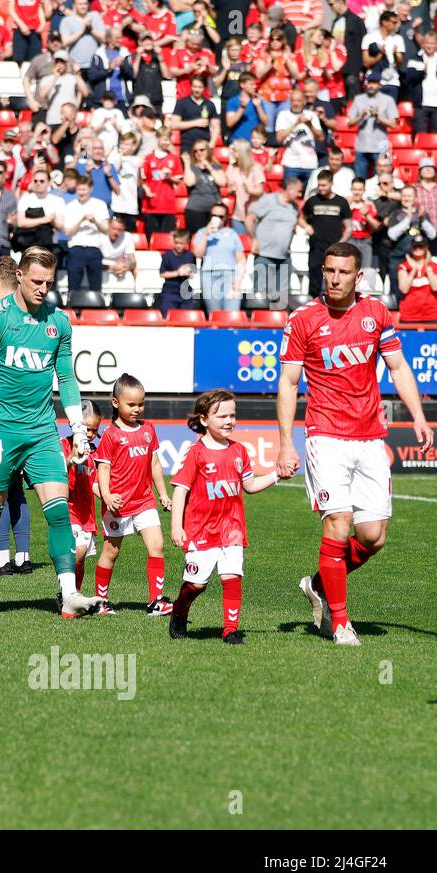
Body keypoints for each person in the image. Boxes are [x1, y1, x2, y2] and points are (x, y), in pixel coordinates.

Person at [277, 242, 432, 646]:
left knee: (373, 536)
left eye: (343, 272)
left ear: (358, 276)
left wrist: (417, 414)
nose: (334, 278)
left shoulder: (376, 312)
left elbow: (397, 367)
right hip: (325, 434)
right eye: (329, 271)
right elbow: (289, 383)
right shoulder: (303, 319)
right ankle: (341, 622)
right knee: (339, 524)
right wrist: (285, 443)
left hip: (369, 437)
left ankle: (318, 584)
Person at [0, 247, 106, 619]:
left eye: (49, 283)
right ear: (19, 277)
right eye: (36, 281)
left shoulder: (59, 322)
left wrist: (76, 428)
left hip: (41, 432)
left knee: (59, 514)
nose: (43, 289)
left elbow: (67, 377)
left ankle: (69, 592)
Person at [167, 389, 281, 643]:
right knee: (196, 585)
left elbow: (249, 486)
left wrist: (276, 475)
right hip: (200, 530)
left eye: (233, 415)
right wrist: (176, 527)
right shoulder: (195, 453)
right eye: (222, 416)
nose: (229, 421)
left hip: (232, 529)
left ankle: (230, 630)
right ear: (204, 420)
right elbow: (180, 492)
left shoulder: (239, 451)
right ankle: (179, 610)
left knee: (231, 578)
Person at [91, 373, 173, 616]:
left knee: (157, 545)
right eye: (132, 404)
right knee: (111, 552)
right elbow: (102, 469)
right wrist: (106, 496)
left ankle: (156, 601)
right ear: (116, 403)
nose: (137, 409)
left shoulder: (148, 430)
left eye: (141, 403)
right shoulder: (110, 435)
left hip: (144, 501)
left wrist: (163, 494)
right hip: (118, 505)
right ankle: (101, 600)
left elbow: (155, 464)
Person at [61, 399, 102, 597]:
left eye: (95, 430)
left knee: (82, 557)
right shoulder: (63, 445)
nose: (91, 435)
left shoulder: (95, 453)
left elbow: (94, 483)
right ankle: (67, 593)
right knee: (77, 552)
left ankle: (74, 593)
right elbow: (58, 474)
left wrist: (108, 497)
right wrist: (71, 459)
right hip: (68, 509)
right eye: (87, 429)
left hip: (87, 515)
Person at [247, 177, 303, 305]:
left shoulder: (294, 206)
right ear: (290, 189)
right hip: (264, 255)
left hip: (284, 258)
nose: (300, 195)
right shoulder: (269, 200)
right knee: (259, 297)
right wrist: (254, 239)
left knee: (281, 299)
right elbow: (249, 219)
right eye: (298, 191)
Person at [300, 169, 352, 299]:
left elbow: (349, 228)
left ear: (331, 183)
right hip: (316, 248)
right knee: (314, 282)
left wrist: (341, 244)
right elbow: (300, 218)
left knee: (333, 281)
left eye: (324, 185)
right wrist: (306, 226)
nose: (321, 188)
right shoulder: (312, 201)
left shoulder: (342, 202)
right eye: (319, 185)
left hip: (334, 251)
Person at [191, 202, 244, 313]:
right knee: (214, 313)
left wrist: (238, 280)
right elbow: (198, 254)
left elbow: (241, 259)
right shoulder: (202, 232)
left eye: (220, 216)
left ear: (225, 218)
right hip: (208, 276)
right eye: (214, 216)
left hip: (230, 275)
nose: (217, 219)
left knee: (232, 312)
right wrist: (206, 234)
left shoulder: (232, 233)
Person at [62, 174, 110, 293]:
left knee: (96, 288)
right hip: (76, 248)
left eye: (84, 189)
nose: (81, 193)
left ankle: (96, 310)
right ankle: (72, 309)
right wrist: (81, 220)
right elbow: (68, 232)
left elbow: (106, 229)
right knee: (73, 287)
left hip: (94, 248)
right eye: (79, 189)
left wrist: (95, 221)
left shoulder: (100, 204)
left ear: (90, 189)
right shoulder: (70, 206)